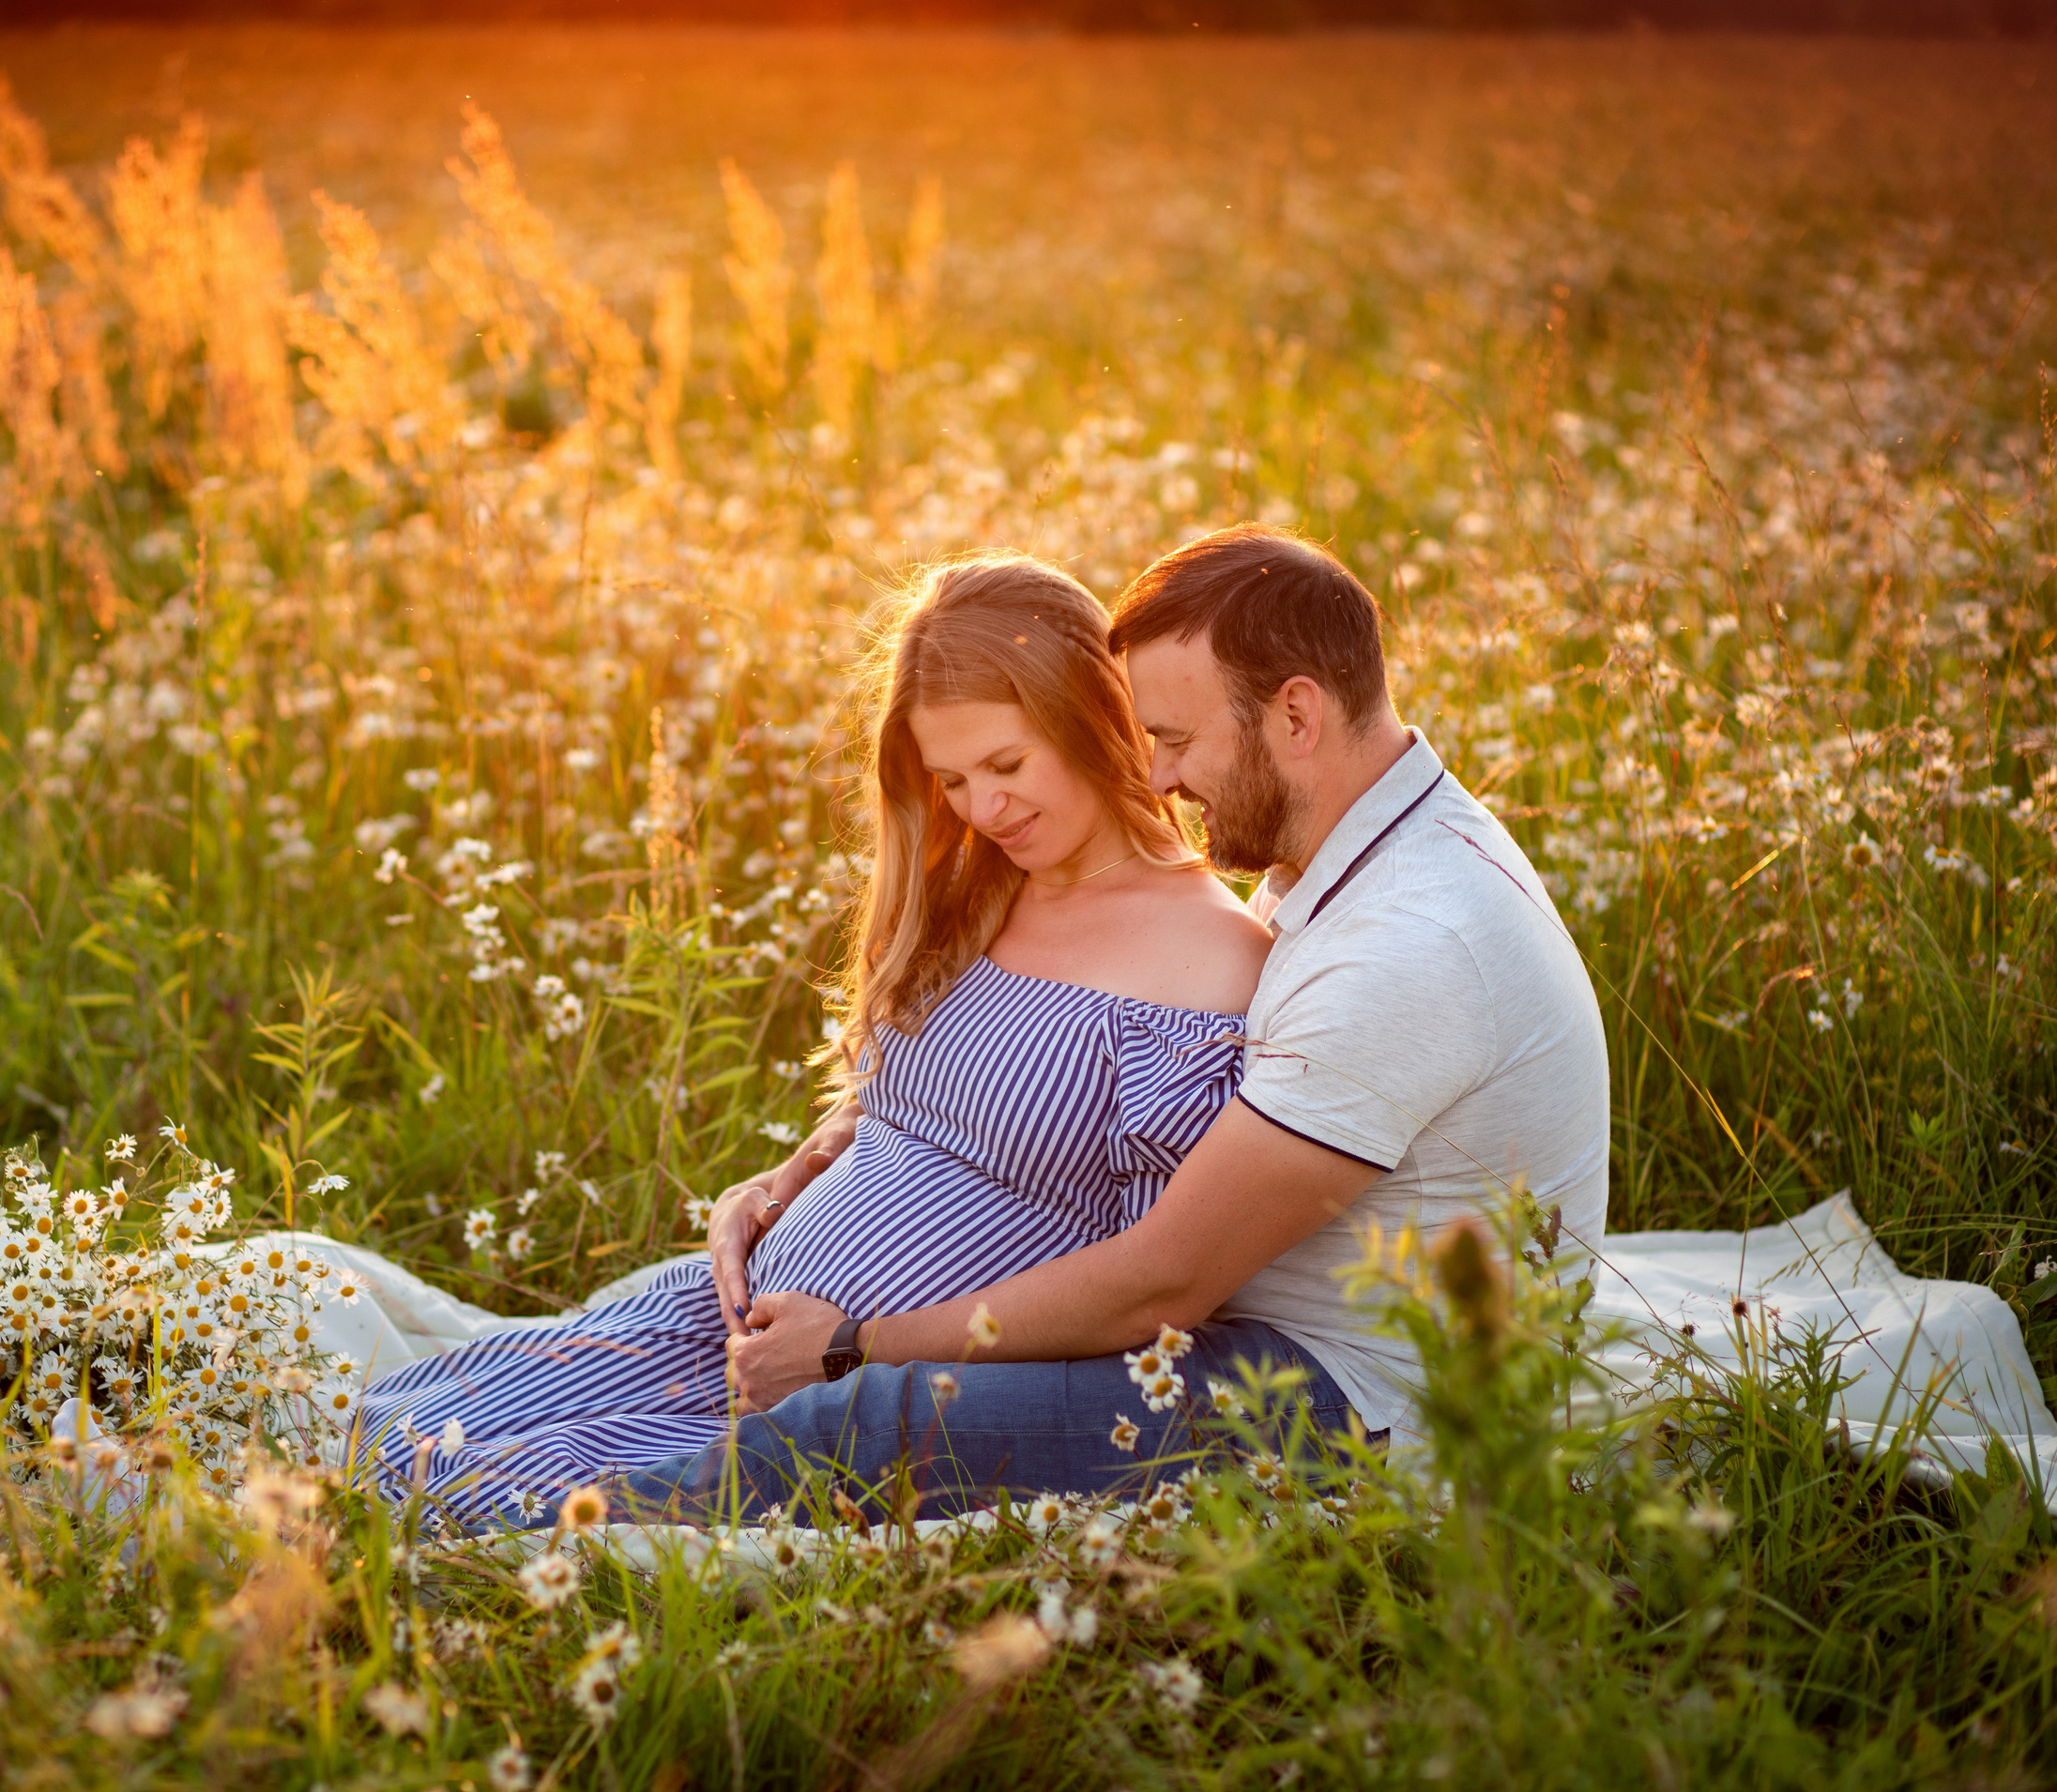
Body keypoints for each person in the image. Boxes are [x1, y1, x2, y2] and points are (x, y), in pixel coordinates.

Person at [619, 522, 1609, 1520]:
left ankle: (516, 1545)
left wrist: (855, 1342)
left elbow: (1161, 1281)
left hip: (1352, 1394)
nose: (1161, 777)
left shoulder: (1410, 943)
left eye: (1175, 740)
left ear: (1296, 715)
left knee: (871, 1424)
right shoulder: (1351, 854)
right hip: (1264, 1335)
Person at [349, 551, 1321, 1521]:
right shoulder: (978, 890)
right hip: (737, 1322)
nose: (984, 808)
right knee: (380, 1434)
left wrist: (859, 1336)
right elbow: (897, 1114)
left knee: (488, 1509)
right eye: (950, 779)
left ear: (1092, 717)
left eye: (1006, 764)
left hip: (854, 1389)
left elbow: (1140, 1283)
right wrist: (776, 1185)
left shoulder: (1209, 963)